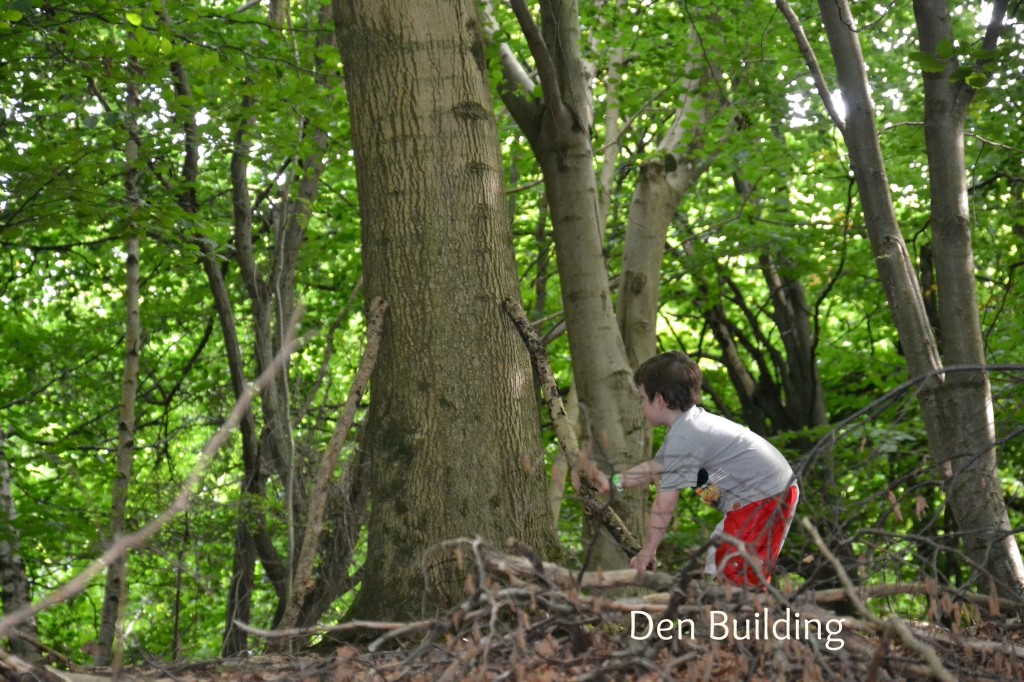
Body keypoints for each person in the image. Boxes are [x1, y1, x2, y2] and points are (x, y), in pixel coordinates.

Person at [590, 351, 799, 589]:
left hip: (765, 497)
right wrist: (613, 482)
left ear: (659, 400)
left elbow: (665, 503)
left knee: (736, 570)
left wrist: (648, 552)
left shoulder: (686, 436)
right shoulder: (688, 427)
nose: (640, 405)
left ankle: (746, 621)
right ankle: (730, 618)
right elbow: (655, 468)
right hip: (758, 498)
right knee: (719, 561)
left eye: (641, 398)